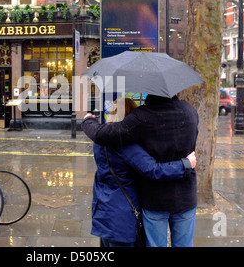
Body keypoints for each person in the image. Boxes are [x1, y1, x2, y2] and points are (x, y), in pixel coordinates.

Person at [83, 94, 199, 247]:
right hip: (184, 194)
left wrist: (88, 121)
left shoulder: (141, 117)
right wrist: (185, 164)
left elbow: (105, 135)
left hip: (147, 200)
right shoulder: (190, 111)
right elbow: (152, 168)